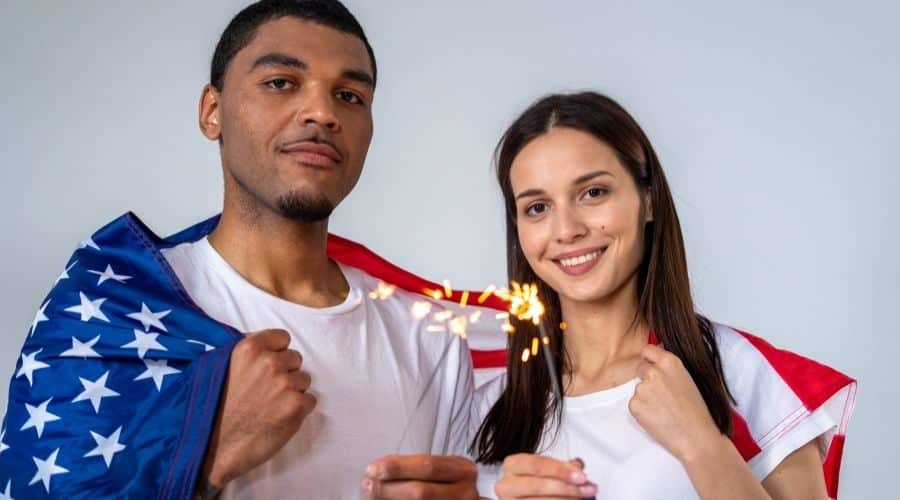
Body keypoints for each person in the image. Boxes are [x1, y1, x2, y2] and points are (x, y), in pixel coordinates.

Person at [0, 1, 480, 498]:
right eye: (280, 83)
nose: (323, 112)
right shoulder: (112, 310)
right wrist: (209, 456)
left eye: (350, 95)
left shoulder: (431, 345)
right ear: (213, 111)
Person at [469, 92, 856, 499]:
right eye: (537, 208)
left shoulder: (741, 375)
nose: (566, 229)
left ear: (648, 201)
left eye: (593, 193)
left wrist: (702, 445)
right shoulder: (489, 409)